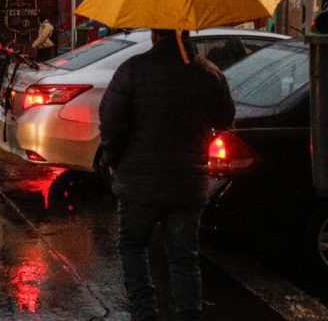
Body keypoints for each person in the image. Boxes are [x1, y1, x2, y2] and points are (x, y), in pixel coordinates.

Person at [99, 29, 235, 321]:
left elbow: (110, 121)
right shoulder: (209, 74)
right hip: (188, 183)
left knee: (133, 248)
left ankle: (145, 312)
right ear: (186, 34)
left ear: (154, 35)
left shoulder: (132, 70)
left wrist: (114, 160)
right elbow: (225, 119)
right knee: (184, 258)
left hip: (138, 185)